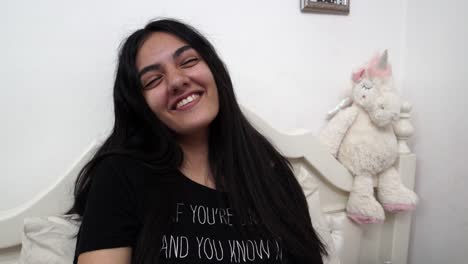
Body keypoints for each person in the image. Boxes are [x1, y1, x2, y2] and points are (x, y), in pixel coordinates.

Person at [68, 18, 328, 264]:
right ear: (140, 105)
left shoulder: (271, 174)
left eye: (188, 61)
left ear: (214, 70)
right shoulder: (119, 176)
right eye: (153, 80)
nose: (177, 81)